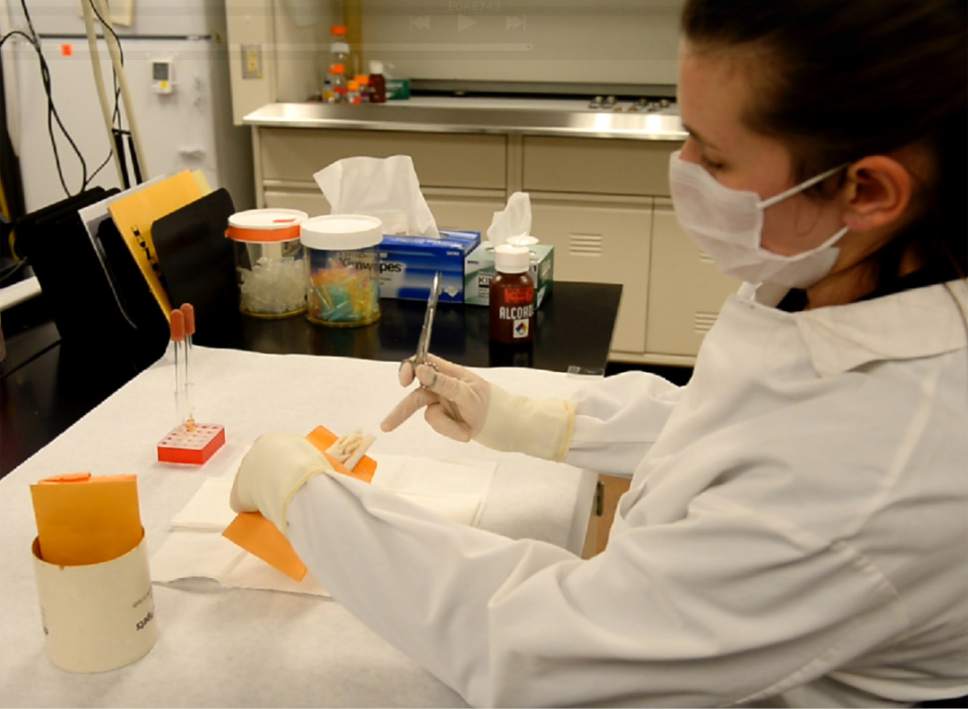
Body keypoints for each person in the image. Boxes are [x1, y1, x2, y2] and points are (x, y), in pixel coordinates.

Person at [230, 1, 968, 705]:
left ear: (867, 189)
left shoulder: (879, 473)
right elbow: (734, 421)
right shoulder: (848, 275)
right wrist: (529, 418)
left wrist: (305, 497)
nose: (682, 167)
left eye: (712, 155)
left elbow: (534, 648)